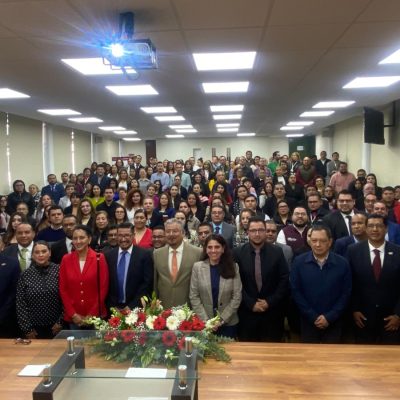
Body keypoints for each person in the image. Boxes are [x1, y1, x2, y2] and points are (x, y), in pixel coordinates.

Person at [290, 225, 352, 343]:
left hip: (334, 321)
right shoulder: (299, 262)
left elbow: (346, 293)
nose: (318, 244)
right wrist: (312, 316)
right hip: (308, 321)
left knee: (331, 359)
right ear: (309, 241)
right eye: (314, 241)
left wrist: (330, 316)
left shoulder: (342, 263)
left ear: (330, 242)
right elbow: (296, 291)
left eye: (322, 241)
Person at [233, 217, 289, 342]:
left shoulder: (277, 252)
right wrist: (250, 303)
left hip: (272, 313)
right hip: (247, 313)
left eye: (260, 230)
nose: (257, 234)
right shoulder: (237, 253)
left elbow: (284, 279)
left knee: (272, 356)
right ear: (247, 232)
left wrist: (269, 301)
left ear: (265, 231)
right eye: (253, 230)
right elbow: (235, 284)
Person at [347, 214, 400, 344]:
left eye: (379, 226)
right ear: (365, 228)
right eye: (370, 226)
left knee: (390, 361)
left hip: (391, 319)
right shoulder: (353, 250)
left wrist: (398, 315)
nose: (375, 229)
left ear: (386, 229)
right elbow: (349, 283)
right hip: (362, 318)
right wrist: (354, 310)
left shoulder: (398, 252)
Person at [190, 234, 242, 338]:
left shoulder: (233, 267)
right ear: (206, 249)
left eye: (217, 247)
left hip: (228, 323)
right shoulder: (197, 267)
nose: (213, 250)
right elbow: (194, 296)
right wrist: (206, 321)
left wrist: (221, 320)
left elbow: (237, 296)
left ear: (223, 249)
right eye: (210, 247)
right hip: (203, 323)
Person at [59, 225, 109, 329]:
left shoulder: (99, 258)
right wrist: (73, 314)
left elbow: (103, 288)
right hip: (74, 318)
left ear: (89, 239)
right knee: (76, 345)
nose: (78, 241)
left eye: (82, 238)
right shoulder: (66, 259)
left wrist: (91, 315)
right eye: (75, 238)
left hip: (95, 316)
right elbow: (63, 289)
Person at [16, 241, 63, 339]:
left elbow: (67, 298)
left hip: (58, 326)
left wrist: (60, 322)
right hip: (34, 329)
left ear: (49, 253)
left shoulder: (59, 270)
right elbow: (21, 303)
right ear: (32, 255)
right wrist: (27, 329)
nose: (40, 255)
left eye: (44, 251)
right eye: (37, 252)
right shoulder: (25, 275)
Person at [153, 218, 203, 308]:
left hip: (188, 307)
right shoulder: (157, 253)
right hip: (163, 307)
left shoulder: (198, 252)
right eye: (168, 231)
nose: (171, 234)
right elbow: (155, 283)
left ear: (183, 233)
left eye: (175, 231)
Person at [105, 222, 153, 311]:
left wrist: (132, 306)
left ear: (133, 235)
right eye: (120, 235)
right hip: (113, 309)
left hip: (136, 308)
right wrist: (112, 306)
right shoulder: (108, 256)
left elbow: (147, 284)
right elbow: (106, 283)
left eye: (127, 235)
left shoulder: (144, 255)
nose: (123, 239)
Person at [0, 252, 20, 337]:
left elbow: (14, 292)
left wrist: (2, 314)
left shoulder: (13, 263)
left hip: (5, 319)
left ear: (2, 245)